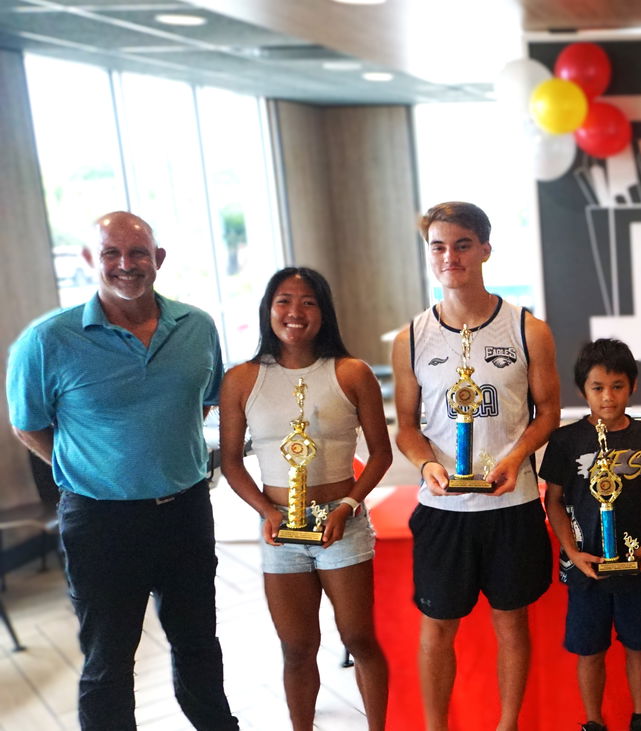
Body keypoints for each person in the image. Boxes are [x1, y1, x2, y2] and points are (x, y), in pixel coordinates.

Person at [7, 212, 239, 729]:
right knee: (109, 662)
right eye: (111, 253)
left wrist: (157, 458)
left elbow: (199, 403)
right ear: (90, 261)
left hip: (185, 512)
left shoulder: (197, 326)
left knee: (200, 645)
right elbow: (29, 427)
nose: (126, 265)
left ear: (158, 260)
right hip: (101, 524)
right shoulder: (48, 340)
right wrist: (97, 471)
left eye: (138, 253)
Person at [391, 201, 561, 731]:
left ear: (485, 249)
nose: (450, 256)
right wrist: (426, 468)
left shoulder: (529, 329)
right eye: (438, 246)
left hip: (511, 504)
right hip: (444, 509)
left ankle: (507, 725)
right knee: (437, 627)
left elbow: (549, 412)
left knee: (511, 623)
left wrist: (515, 457)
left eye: (462, 244)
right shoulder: (411, 338)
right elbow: (408, 429)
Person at [217, 267, 392, 730]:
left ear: (324, 312)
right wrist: (267, 512)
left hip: (342, 525)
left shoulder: (351, 373)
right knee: (296, 647)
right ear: (268, 310)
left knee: (359, 638)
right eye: (284, 301)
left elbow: (379, 454)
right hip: (280, 532)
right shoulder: (241, 379)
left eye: (308, 302)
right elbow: (232, 462)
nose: (295, 312)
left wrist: (348, 505)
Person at [541, 339, 641, 731]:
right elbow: (554, 501)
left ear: (633, 386)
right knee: (589, 649)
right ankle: (593, 722)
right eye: (597, 388)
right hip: (585, 567)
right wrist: (572, 552)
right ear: (583, 391)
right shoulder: (565, 440)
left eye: (617, 386)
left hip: (635, 564)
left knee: (639, 645)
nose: (608, 397)